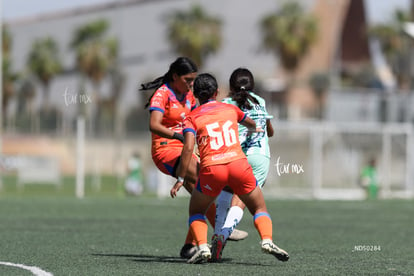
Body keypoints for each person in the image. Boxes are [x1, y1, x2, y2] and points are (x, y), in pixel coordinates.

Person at [170, 73, 289, 264]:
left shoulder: (191, 118)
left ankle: (202, 246)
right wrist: (255, 128)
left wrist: (181, 179)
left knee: (196, 211)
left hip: (212, 168)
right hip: (238, 165)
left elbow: (188, 148)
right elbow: (250, 122)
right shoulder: (229, 108)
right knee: (258, 207)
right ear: (217, 92)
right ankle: (267, 240)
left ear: (195, 94)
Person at [140, 57, 216, 259]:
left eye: (193, 80)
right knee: (207, 182)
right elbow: (154, 125)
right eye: (188, 80)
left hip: (186, 149)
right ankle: (222, 230)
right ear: (175, 76)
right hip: (165, 151)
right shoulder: (162, 94)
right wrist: (178, 136)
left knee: (202, 196)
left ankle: (190, 246)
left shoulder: (189, 96)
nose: (191, 84)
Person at [213, 68, 275, 259]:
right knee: (245, 203)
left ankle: (218, 234)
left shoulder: (225, 104)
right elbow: (270, 131)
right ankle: (225, 234)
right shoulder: (260, 102)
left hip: (233, 156)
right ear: (253, 86)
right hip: (259, 158)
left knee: (225, 192)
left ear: (230, 87)